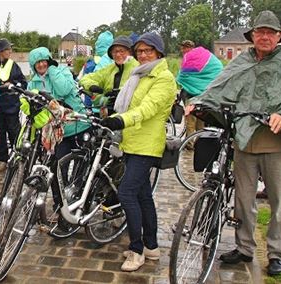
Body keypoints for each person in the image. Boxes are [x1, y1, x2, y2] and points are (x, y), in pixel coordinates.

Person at [187, 10, 281, 276]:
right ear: (252, 36)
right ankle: (244, 248)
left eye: (270, 32)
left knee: (279, 203)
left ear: (279, 36)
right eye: (259, 32)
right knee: (243, 201)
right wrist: (199, 102)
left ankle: (277, 253)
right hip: (243, 141)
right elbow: (220, 85)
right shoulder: (243, 60)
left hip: (274, 145)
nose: (264, 36)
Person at [99, 32, 176, 272]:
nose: (142, 55)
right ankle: (151, 246)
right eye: (140, 51)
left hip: (147, 145)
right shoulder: (139, 74)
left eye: (148, 51)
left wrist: (120, 121)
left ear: (159, 53)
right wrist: (112, 118)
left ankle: (136, 250)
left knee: (127, 194)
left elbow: (146, 109)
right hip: (131, 143)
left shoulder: (163, 78)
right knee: (143, 196)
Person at [28, 47, 90, 212]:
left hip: (77, 125)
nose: (41, 65)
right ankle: (59, 205)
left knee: (80, 168)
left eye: (44, 61)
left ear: (49, 60)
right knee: (58, 168)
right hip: (56, 132)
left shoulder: (61, 71)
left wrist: (53, 71)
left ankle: (78, 203)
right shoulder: (33, 82)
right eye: (37, 62)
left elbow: (63, 90)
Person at [0, 38, 27, 173]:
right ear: (1, 51)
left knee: (14, 132)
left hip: (11, 105)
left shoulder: (13, 65)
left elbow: (23, 83)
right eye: (8, 49)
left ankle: (17, 157)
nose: (10, 52)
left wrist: (12, 85)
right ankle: (2, 160)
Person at [79, 36, 139, 117]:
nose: (118, 54)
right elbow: (85, 78)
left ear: (130, 52)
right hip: (108, 117)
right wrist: (92, 86)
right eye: (114, 51)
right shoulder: (110, 69)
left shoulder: (138, 68)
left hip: (131, 117)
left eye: (122, 51)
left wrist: (118, 95)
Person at [176, 46, 223, 148]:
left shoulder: (189, 61)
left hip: (191, 96)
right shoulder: (209, 63)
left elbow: (183, 76)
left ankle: (190, 144)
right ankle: (198, 144)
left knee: (190, 122)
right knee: (201, 121)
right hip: (204, 98)